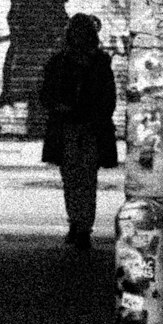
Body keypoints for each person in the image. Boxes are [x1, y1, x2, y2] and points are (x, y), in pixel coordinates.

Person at [39, 13, 118, 251]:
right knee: (81, 180)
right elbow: (108, 98)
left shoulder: (67, 62)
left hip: (80, 127)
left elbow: (108, 99)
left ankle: (79, 225)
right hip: (77, 127)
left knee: (75, 180)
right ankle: (80, 225)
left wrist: (61, 108)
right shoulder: (90, 63)